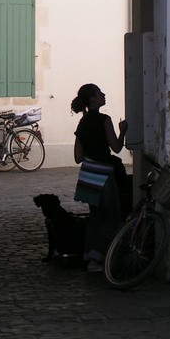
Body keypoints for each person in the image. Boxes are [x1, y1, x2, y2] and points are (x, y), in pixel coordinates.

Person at [71, 83, 129, 272]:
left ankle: (88, 256)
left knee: (95, 218)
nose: (103, 95)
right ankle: (96, 259)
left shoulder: (82, 123)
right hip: (103, 173)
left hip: (87, 174)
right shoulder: (104, 120)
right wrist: (123, 131)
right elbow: (117, 148)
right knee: (113, 218)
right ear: (93, 99)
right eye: (100, 93)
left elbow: (78, 157)